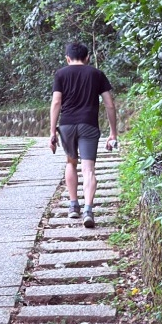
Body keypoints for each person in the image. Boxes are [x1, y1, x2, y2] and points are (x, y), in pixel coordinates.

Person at [46, 41, 117, 227]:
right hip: (89, 124)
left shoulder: (60, 74)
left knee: (71, 162)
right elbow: (110, 104)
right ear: (87, 58)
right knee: (89, 169)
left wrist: (52, 131)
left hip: (67, 124)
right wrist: (113, 133)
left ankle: (73, 206)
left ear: (67, 58)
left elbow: (56, 103)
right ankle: (88, 209)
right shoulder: (97, 74)